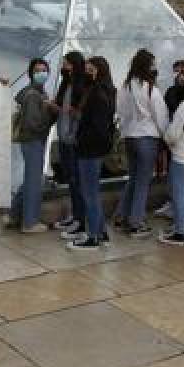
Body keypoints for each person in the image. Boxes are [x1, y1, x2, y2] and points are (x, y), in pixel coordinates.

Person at [112, 49, 168, 238]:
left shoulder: (126, 86)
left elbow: (120, 112)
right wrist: (165, 135)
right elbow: (160, 116)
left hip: (130, 137)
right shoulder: (150, 88)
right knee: (143, 182)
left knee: (133, 178)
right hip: (147, 137)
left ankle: (121, 214)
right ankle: (136, 222)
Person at [65, 56, 116, 251]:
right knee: (92, 191)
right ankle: (100, 231)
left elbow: (98, 126)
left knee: (89, 193)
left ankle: (93, 236)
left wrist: (82, 138)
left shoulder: (98, 93)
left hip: (89, 150)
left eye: (90, 69)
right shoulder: (106, 90)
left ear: (99, 71)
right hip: (94, 149)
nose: (87, 72)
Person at [11, 58, 57, 233]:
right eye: (37, 70)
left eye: (44, 70)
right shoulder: (33, 95)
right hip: (33, 140)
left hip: (32, 140)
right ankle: (29, 222)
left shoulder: (37, 92)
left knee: (30, 179)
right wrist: (50, 116)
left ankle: (14, 214)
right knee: (33, 182)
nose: (41, 73)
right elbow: (32, 123)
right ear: (31, 74)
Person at [159, 66, 184, 245]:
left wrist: (166, 136)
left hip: (180, 154)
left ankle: (179, 233)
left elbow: (172, 134)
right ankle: (178, 226)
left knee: (179, 194)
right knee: (182, 192)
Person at [53, 51, 89, 237]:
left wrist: (71, 113)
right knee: (71, 179)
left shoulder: (81, 86)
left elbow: (81, 114)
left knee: (77, 181)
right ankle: (76, 215)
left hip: (73, 140)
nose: (64, 66)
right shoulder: (66, 84)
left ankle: (80, 219)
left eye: (67, 63)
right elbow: (65, 110)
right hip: (64, 137)